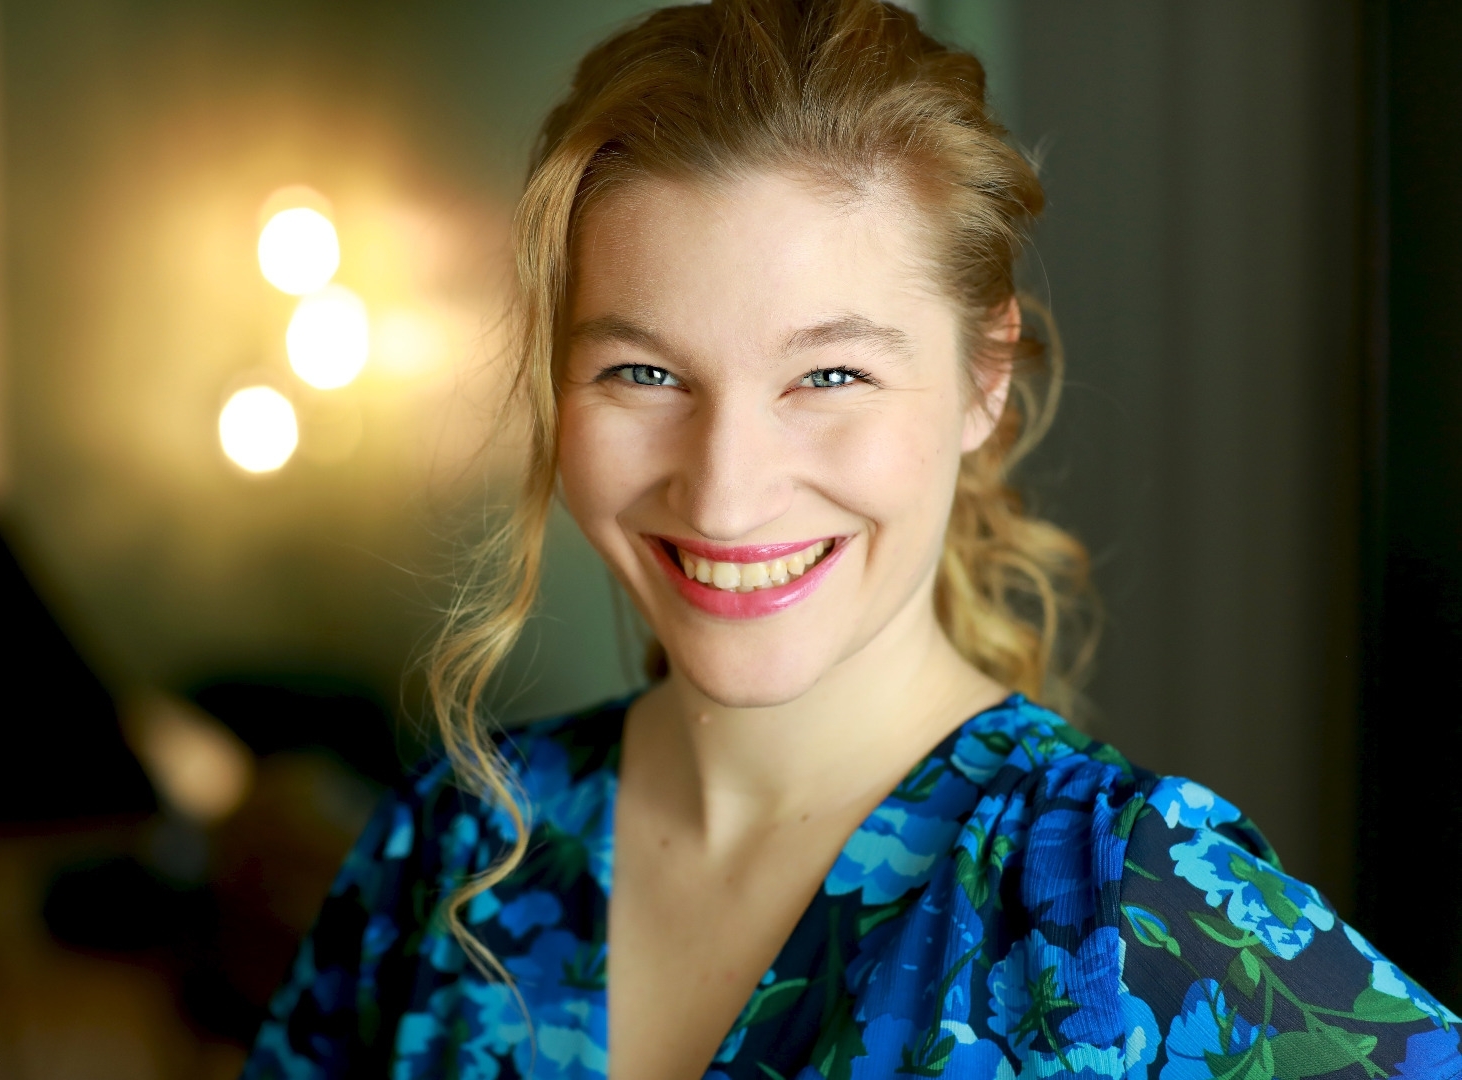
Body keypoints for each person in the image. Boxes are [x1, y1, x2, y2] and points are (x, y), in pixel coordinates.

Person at [241, 1, 1456, 1077]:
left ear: (985, 375)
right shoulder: (454, 849)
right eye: (644, 372)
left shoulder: (1117, 904)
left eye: (829, 374)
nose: (724, 496)